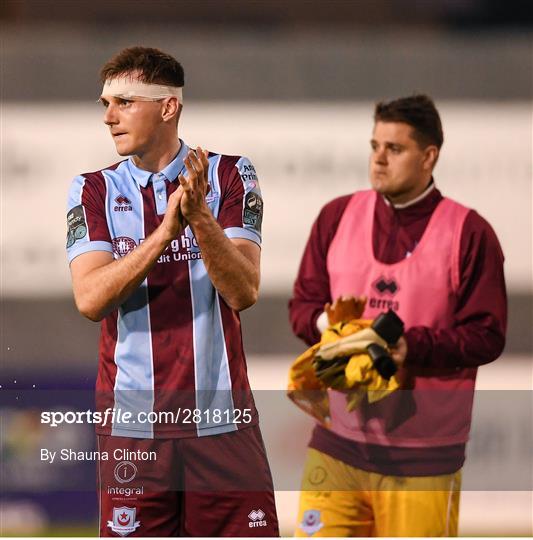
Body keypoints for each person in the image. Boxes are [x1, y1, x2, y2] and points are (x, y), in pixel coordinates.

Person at [66, 46, 278, 537]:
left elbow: (244, 290)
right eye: (105, 105)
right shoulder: (91, 189)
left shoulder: (229, 176)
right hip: (133, 429)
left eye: (124, 102)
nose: (109, 117)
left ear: (167, 107)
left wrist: (199, 217)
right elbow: (90, 300)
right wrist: (163, 234)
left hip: (223, 421)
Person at [288, 94, 507, 537]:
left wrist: (412, 345)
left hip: (423, 457)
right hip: (337, 448)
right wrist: (336, 331)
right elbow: (303, 307)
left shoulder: (470, 233)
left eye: (395, 149)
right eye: (374, 146)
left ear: (429, 157)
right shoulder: (336, 216)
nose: (379, 160)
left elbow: (487, 335)